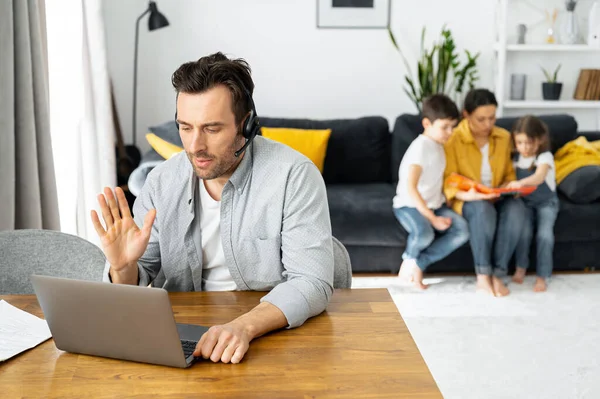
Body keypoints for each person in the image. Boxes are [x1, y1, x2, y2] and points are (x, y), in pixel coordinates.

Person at [90, 52, 334, 364]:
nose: (194, 146)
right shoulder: (161, 182)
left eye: (212, 128)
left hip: (269, 335)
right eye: (185, 127)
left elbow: (311, 281)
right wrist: (123, 266)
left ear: (245, 126)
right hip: (181, 335)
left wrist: (242, 327)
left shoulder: (294, 176)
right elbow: (140, 276)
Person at [443, 88, 526, 297]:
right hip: (470, 198)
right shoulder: (452, 139)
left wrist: (511, 185)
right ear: (466, 115)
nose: (488, 125)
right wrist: (470, 195)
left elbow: (508, 173)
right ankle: (482, 274)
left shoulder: (504, 137)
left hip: (497, 195)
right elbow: (448, 180)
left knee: (517, 208)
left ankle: (498, 274)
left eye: (492, 118)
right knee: (481, 210)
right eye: (481, 119)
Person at [393, 94, 470, 289]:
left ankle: (420, 263)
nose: (450, 132)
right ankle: (408, 261)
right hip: (409, 205)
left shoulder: (438, 145)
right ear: (427, 123)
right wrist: (432, 218)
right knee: (425, 234)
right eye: (444, 127)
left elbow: (434, 180)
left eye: (452, 127)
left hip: (434, 204)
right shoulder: (421, 148)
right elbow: (411, 187)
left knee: (462, 230)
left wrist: (446, 200)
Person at [507, 115, 558, 292]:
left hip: (546, 203)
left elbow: (539, 177)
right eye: (520, 142)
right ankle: (521, 267)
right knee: (524, 233)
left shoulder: (545, 157)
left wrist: (521, 183)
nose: (525, 147)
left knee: (544, 235)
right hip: (525, 203)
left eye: (529, 142)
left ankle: (542, 275)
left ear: (540, 140)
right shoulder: (515, 159)